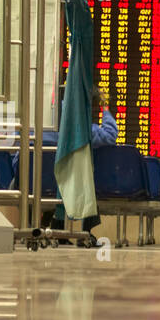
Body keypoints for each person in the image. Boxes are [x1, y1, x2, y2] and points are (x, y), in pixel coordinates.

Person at [47, 89, 119, 241]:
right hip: (74, 185)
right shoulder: (85, 131)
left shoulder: (44, 132)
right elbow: (110, 135)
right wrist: (105, 108)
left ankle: (55, 227)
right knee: (88, 183)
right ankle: (85, 232)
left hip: (43, 187)